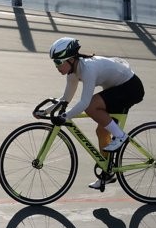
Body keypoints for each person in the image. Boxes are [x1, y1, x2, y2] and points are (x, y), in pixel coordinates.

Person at [48, 37, 145, 190]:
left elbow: (85, 103)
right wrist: (45, 111)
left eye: (58, 62)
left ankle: (120, 136)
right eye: (54, 63)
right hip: (117, 89)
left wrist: (65, 117)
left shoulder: (88, 69)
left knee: (92, 106)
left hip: (130, 88)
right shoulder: (73, 72)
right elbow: (65, 99)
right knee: (101, 131)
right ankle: (108, 173)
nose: (56, 67)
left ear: (71, 59)